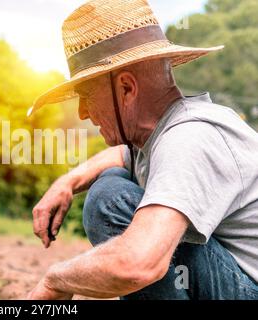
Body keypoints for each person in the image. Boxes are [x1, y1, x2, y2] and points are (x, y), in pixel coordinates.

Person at [26, 0, 258, 300]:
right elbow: (123, 156)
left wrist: (54, 281)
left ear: (126, 88)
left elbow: (137, 265)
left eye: (86, 96)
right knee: (111, 176)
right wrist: (68, 182)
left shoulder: (189, 137)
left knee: (108, 198)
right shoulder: (163, 135)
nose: (82, 112)